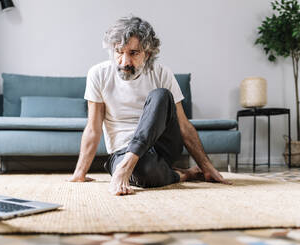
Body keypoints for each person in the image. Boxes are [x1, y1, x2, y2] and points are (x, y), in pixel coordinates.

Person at [68, 15, 231, 195]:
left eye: (133, 53)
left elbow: (184, 126)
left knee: (161, 95)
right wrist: (80, 172)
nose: (124, 62)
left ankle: (126, 168)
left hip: (162, 146)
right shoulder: (98, 74)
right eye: (119, 52)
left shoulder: (162, 74)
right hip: (122, 150)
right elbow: (93, 127)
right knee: (144, 174)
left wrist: (207, 167)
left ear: (148, 53)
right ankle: (182, 175)